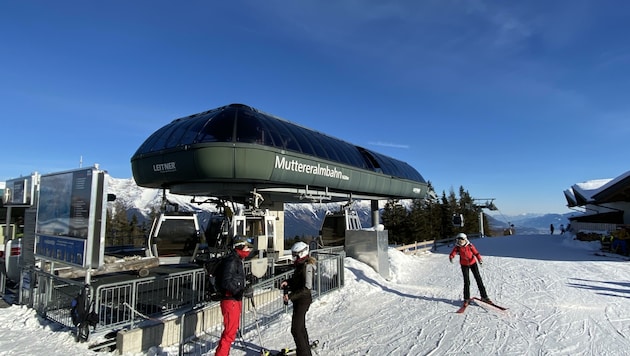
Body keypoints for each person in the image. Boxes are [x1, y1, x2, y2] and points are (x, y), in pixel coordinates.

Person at [215, 236, 254, 356]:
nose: (249, 251)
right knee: (229, 334)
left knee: (231, 331)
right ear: (240, 246)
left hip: (235, 299)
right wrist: (239, 291)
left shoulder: (238, 259)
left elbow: (234, 278)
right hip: (230, 300)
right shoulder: (232, 260)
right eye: (247, 247)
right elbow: (226, 282)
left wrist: (244, 282)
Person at [280, 242, 317, 356]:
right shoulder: (301, 265)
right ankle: (305, 352)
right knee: (300, 328)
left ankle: (303, 353)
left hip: (303, 300)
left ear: (302, 254)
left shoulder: (307, 266)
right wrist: (288, 282)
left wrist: (290, 296)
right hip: (299, 300)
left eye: (295, 255)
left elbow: (307, 287)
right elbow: (298, 280)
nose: (294, 258)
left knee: (296, 329)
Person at [449, 233, 490, 306]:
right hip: (464, 265)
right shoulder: (457, 247)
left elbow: (476, 253)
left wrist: (480, 260)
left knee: (478, 279)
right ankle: (466, 298)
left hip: (473, 264)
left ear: (465, 239)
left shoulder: (470, 246)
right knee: (466, 281)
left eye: (461, 240)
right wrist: (451, 257)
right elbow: (453, 253)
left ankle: (484, 297)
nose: (460, 241)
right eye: (458, 240)